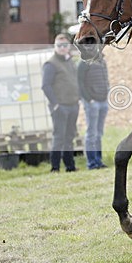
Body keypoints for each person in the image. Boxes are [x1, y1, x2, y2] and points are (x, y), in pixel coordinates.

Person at [42, 34, 80, 172]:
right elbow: (46, 86)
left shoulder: (70, 61)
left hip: (73, 105)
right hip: (60, 107)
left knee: (70, 136)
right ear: (55, 47)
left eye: (65, 45)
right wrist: (55, 104)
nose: (62, 48)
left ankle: (70, 166)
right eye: (59, 46)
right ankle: (55, 167)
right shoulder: (51, 64)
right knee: (59, 137)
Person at [77, 51, 109, 169]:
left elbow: (105, 79)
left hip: (103, 101)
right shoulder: (84, 63)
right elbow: (79, 83)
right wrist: (89, 99)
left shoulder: (102, 61)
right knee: (91, 133)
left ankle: (98, 160)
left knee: (99, 133)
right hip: (92, 103)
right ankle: (91, 163)